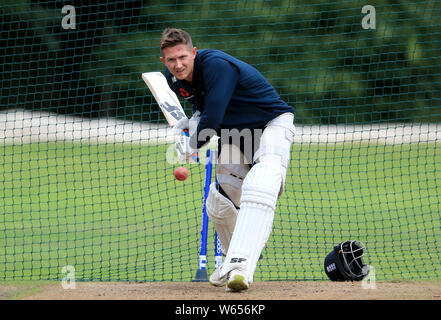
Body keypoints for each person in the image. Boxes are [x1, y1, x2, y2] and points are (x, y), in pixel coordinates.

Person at [159, 28, 295, 292]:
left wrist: (191, 143)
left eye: (183, 57)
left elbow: (214, 115)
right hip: (235, 134)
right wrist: (192, 122)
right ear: (163, 61)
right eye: (171, 60)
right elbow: (203, 109)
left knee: (262, 181)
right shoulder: (174, 79)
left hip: (271, 124)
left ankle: (241, 263)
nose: (178, 64)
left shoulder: (217, 66)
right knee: (219, 203)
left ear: (194, 53)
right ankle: (236, 263)